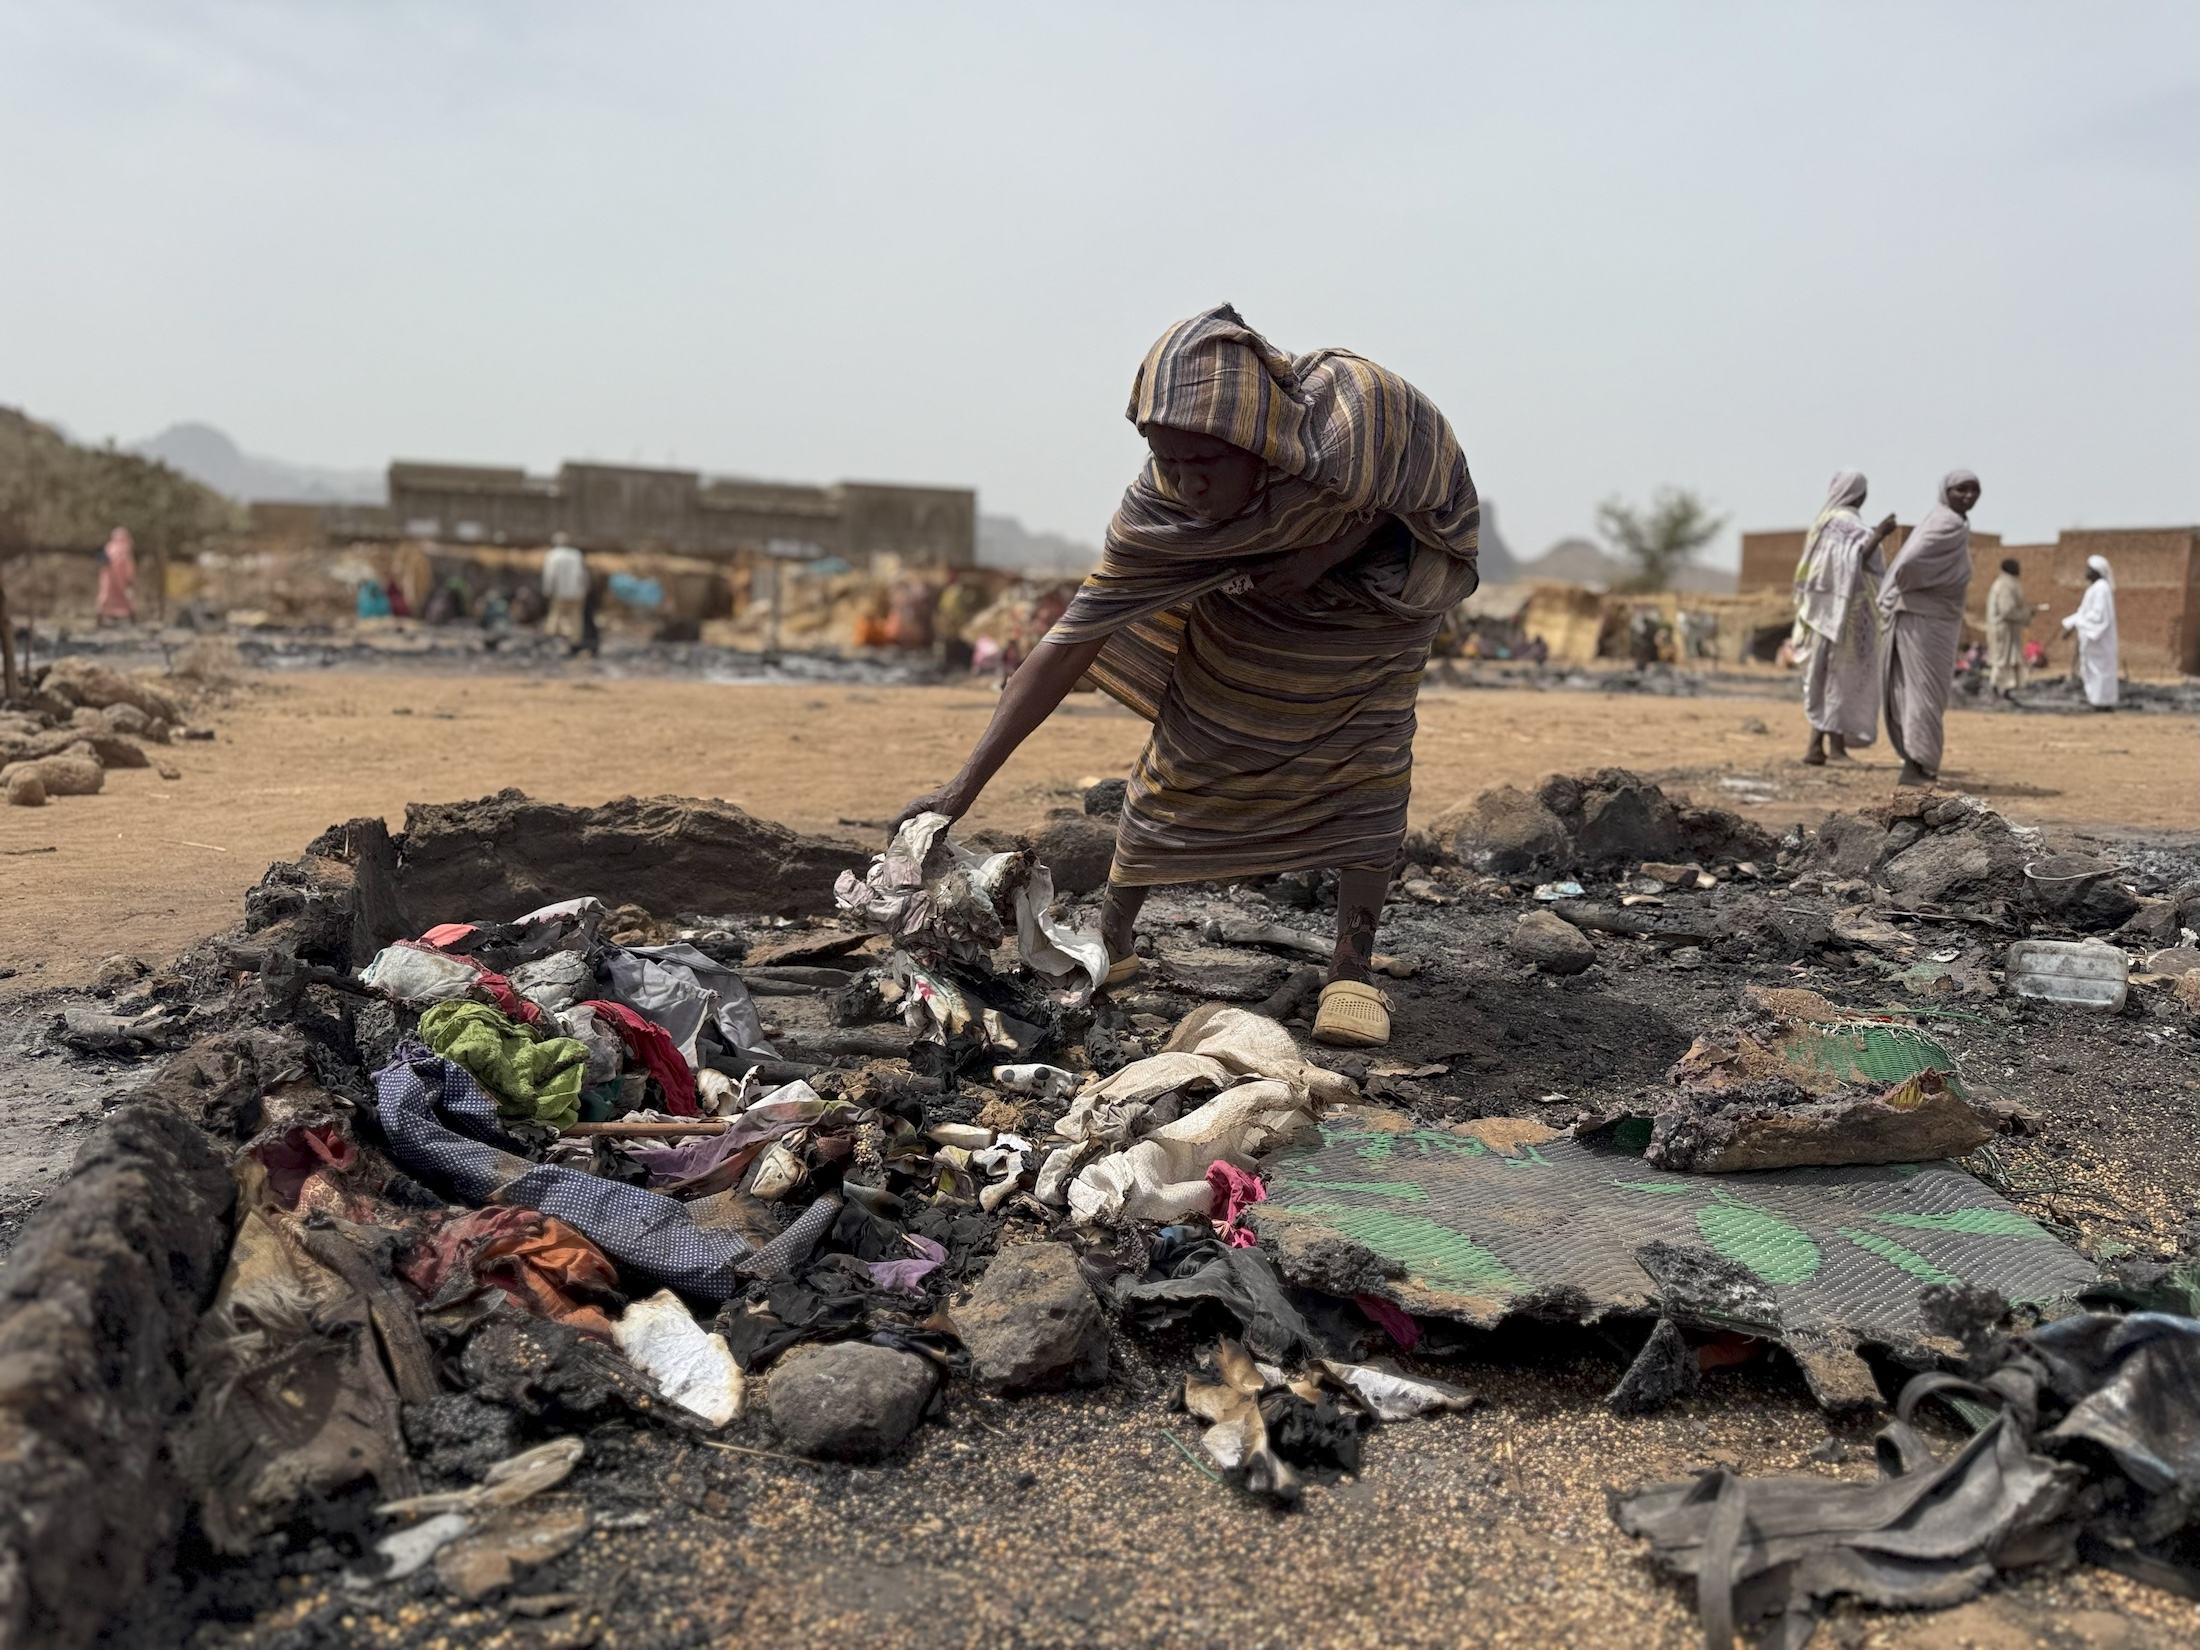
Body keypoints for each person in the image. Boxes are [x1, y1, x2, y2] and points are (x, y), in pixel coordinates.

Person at [896, 304, 1479, 1049]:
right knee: (1183, 755)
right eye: (1164, 458)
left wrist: (1329, 552)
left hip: (1373, 610)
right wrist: (958, 791)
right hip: (1245, 605)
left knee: (1366, 764)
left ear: (1255, 441)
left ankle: (1351, 966)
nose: (1184, 484)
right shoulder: (1160, 512)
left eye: (1204, 465)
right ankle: (1115, 936)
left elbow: (1437, 497)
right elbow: (1068, 644)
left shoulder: (1358, 419)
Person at [1881, 470, 1980, 786]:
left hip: (1930, 617)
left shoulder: (1950, 521)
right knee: (1923, 691)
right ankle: (1918, 764)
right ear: (1946, 491)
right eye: (1961, 490)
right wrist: (1928, 587)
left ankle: (1917, 760)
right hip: (1924, 617)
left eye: (1974, 490)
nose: (1968, 496)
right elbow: (1909, 564)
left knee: (1919, 690)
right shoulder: (1946, 523)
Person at [1790, 471, 1895, 765]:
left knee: (1827, 678)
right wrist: (1879, 534)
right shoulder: (1843, 524)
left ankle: (1816, 748)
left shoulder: (1823, 523)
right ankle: (1833, 750)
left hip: (1822, 614)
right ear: (1857, 493)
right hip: (1842, 616)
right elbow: (1855, 560)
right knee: (1838, 678)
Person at [2061, 555, 2119, 710]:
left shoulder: (2101, 588)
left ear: (2097, 571)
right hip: (2093, 642)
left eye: (2089, 569)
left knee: (2101, 672)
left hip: (2100, 641)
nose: (2086, 572)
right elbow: (2083, 613)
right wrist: (2070, 625)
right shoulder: (2094, 589)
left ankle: (2103, 703)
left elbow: (2099, 616)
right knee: (2092, 670)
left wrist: (2076, 623)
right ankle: (2096, 700)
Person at [1984, 557, 2031, 697]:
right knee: (2002, 660)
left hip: (2007, 630)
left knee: (2007, 659)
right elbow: (2007, 610)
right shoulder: (2005, 585)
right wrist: (2025, 614)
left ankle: (2003, 689)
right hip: (2003, 630)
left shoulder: (2008, 583)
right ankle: (1997, 688)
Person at [541, 533, 588, 641]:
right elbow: (582, 575)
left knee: (555, 614)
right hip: (576, 592)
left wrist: (547, 590)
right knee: (576, 618)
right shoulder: (576, 554)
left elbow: (549, 575)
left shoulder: (552, 555)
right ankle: (575, 641)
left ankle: (550, 638)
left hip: (560, 592)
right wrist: (584, 590)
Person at [95, 527, 137, 624]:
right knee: (123, 596)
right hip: (112, 578)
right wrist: (130, 577)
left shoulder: (113, 548)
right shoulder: (112, 548)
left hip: (114, 578)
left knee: (120, 596)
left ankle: (131, 618)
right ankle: (101, 617)